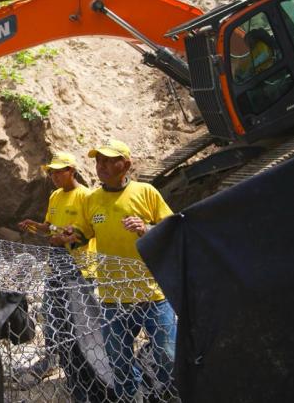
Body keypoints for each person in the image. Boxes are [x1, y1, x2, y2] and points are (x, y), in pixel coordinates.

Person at [55, 140, 176, 401]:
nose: (103, 167)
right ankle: (131, 398)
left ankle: (169, 396)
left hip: (152, 293)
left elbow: (173, 230)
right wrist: (71, 234)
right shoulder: (92, 199)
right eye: (99, 161)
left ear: (127, 164)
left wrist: (147, 229)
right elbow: (84, 233)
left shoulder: (146, 192)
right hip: (112, 297)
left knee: (168, 356)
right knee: (118, 359)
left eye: (110, 161)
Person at [16, 151, 95, 390]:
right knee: (52, 313)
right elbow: (48, 228)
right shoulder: (55, 196)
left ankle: (85, 365)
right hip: (56, 262)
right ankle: (51, 359)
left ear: (71, 170)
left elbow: (92, 230)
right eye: (51, 172)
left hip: (80, 265)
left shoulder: (87, 196)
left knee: (80, 317)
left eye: (58, 172)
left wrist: (70, 238)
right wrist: (35, 227)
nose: (53, 176)